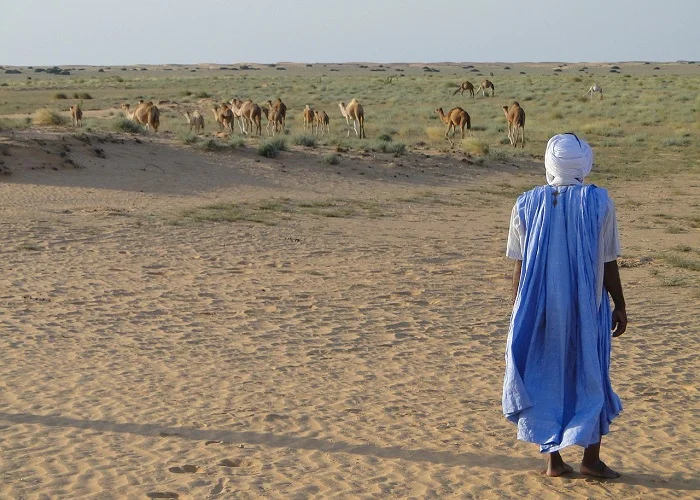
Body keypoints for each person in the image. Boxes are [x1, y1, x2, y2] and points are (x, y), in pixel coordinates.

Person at [502, 133, 627, 478]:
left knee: (547, 371)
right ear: (583, 163)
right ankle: (590, 459)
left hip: (540, 306)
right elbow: (607, 261)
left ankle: (554, 461)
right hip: (588, 304)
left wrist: (517, 310)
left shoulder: (526, 203)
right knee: (591, 371)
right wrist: (620, 304)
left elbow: (520, 264)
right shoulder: (599, 201)